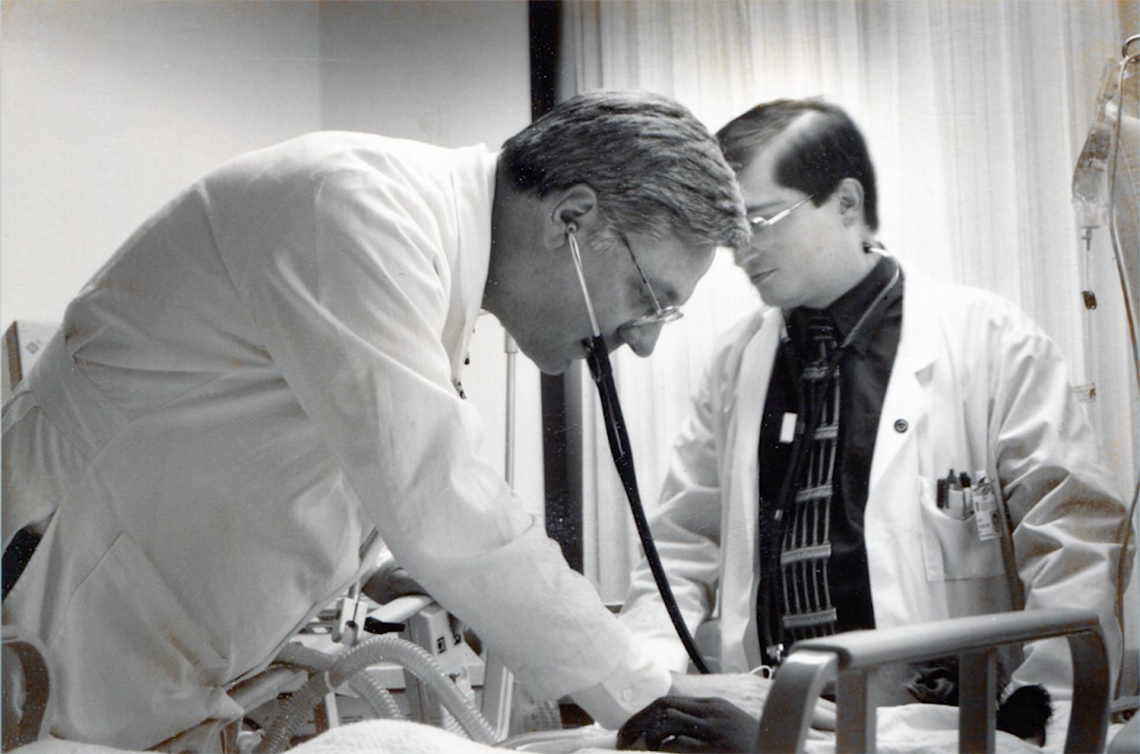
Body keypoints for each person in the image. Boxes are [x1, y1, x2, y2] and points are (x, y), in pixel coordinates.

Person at [0, 91, 753, 749]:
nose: (647, 339)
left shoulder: (421, 250)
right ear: (573, 218)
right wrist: (648, 699)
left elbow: (331, 457)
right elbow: (440, 500)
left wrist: (373, 563)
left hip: (148, 638)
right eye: (649, 296)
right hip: (60, 615)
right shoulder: (356, 207)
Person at [617, 98, 1132, 750]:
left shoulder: (989, 342)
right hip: (771, 717)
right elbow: (678, 551)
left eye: (762, 220)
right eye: (730, 231)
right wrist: (653, 682)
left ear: (846, 203)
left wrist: (1057, 720)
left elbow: (1075, 548)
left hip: (944, 731)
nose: (741, 252)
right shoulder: (735, 362)